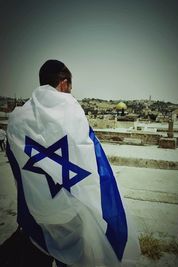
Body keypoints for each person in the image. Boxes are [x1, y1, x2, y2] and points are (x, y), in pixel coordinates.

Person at [6, 59, 140, 267]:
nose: (70, 93)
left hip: (37, 212)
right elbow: (93, 162)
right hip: (69, 213)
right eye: (70, 88)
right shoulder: (71, 111)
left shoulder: (17, 120)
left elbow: (16, 165)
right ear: (64, 83)